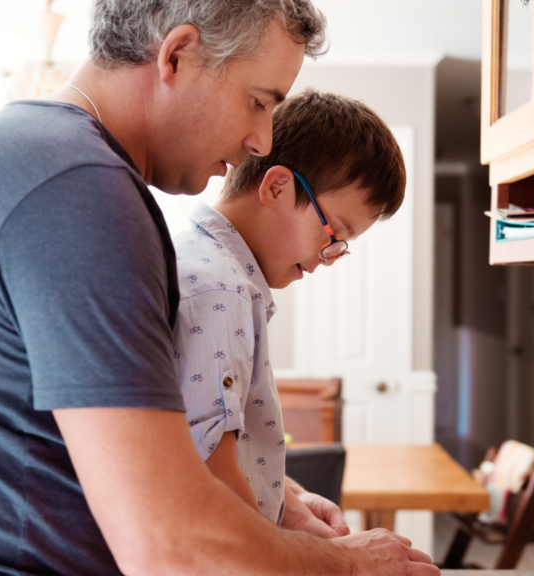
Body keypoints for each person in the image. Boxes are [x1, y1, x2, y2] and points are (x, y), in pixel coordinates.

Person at [0, 1, 440, 575]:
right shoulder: (79, 191)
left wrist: (273, 492)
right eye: (258, 102)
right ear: (177, 55)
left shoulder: (43, 159)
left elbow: (128, 444)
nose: (261, 140)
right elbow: (171, 545)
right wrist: (351, 564)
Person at [172, 89, 404, 537]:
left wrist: (286, 496)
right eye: (334, 230)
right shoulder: (222, 290)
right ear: (277, 186)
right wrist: (341, 563)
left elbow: (224, 448)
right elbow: (212, 489)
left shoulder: (213, 267)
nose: (329, 255)